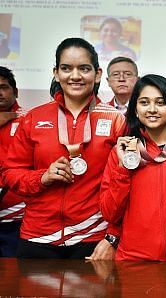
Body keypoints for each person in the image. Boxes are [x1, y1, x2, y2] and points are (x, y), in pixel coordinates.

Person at [1, 38, 125, 259]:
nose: (75, 76)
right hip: (37, 237)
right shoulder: (34, 118)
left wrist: (112, 236)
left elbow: (126, 185)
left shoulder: (115, 120)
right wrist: (43, 177)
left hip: (92, 239)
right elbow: (10, 174)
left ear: (97, 74)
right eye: (66, 68)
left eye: (84, 68)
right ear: (56, 73)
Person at [100, 74, 166, 261]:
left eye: (160, 103)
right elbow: (110, 212)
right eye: (144, 102)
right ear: (135, 109)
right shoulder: (123, 151)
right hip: (133, 258)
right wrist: (123, 167)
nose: (152, 110)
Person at [0, 66, 26, 257]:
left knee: (13, 279)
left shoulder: (30, 120)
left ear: (15, 91)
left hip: (17, 218)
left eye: (3, 87)